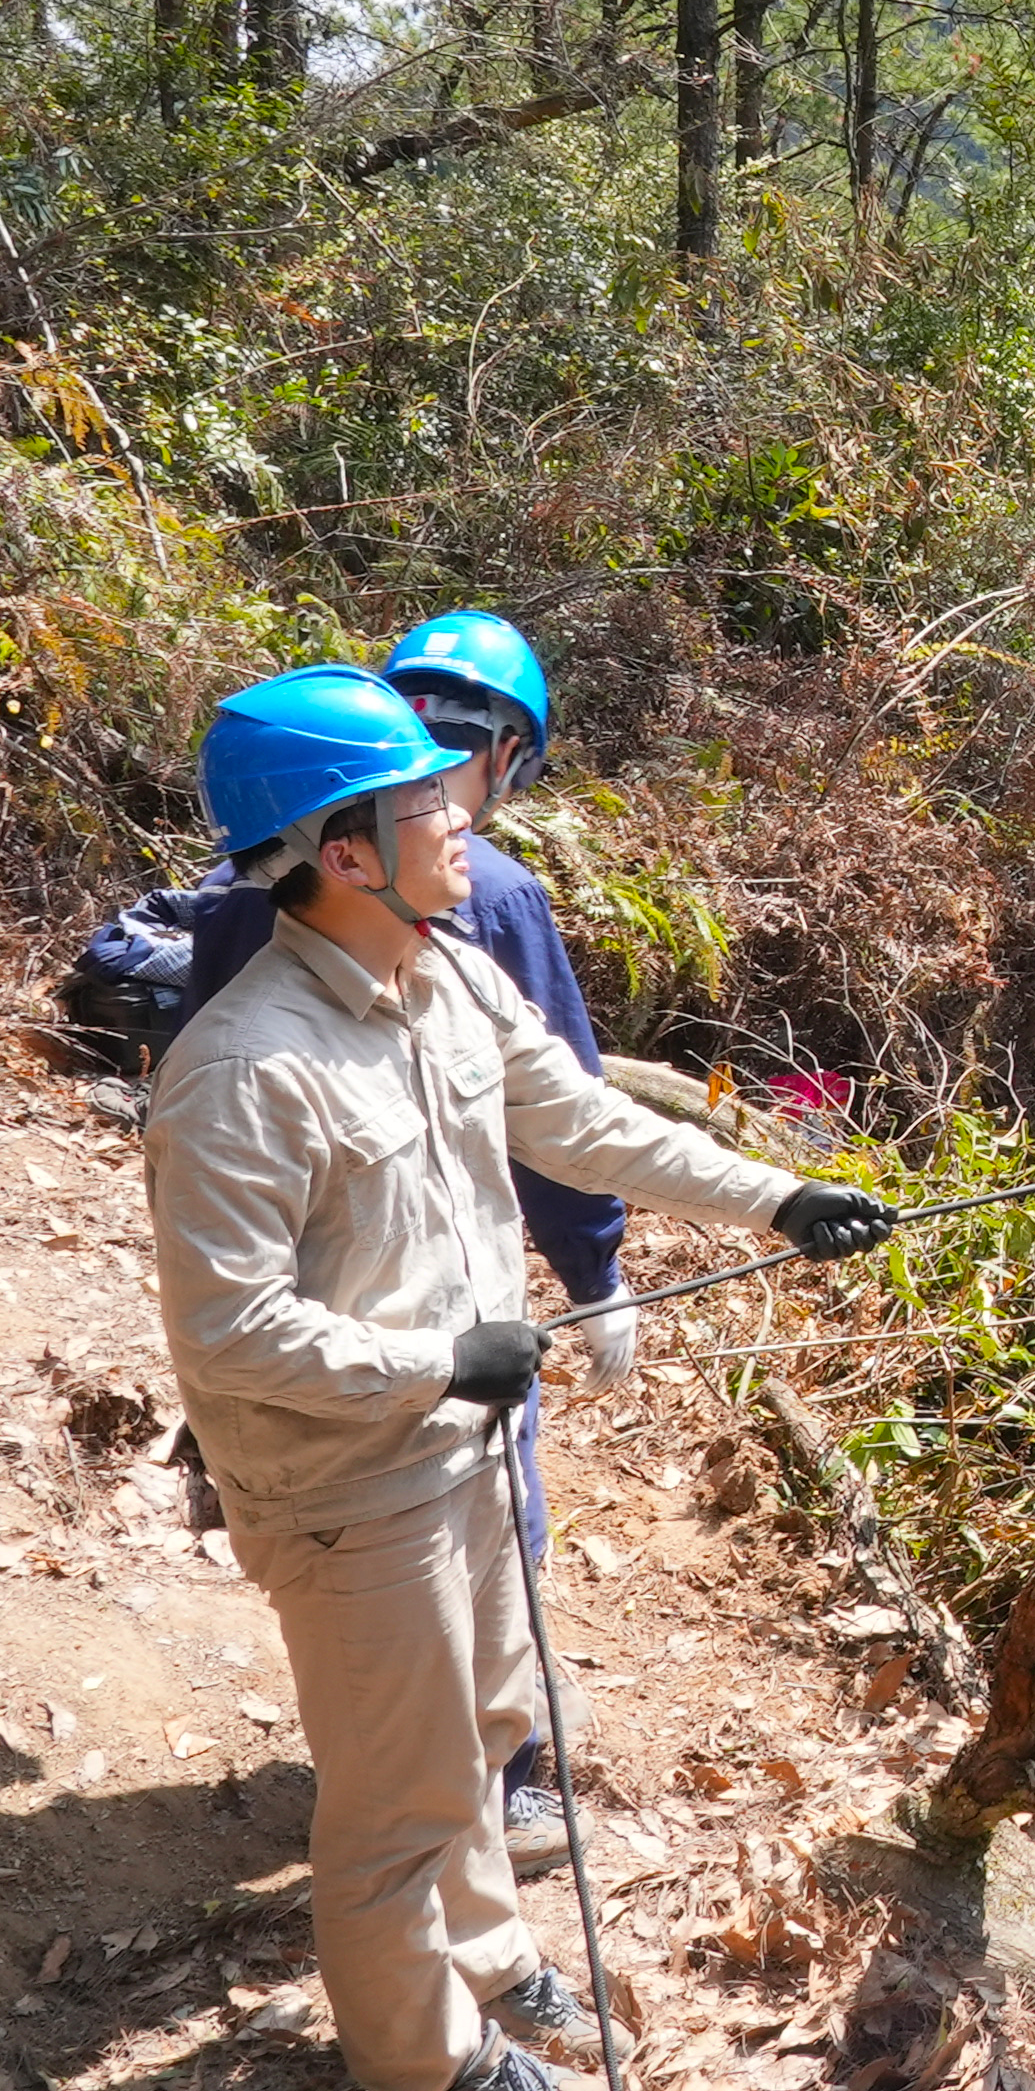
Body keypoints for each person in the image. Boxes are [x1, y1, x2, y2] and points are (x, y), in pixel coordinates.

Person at [145, 664, 900, 2091]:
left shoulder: (446, 980)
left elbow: (587, 1124)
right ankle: (429, 2061)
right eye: (426, 802)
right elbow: (230, 1335)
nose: (461, 820)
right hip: (352, 1487)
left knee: (485, 1727)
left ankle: (490, 1960)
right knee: (396, 1803)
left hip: (467, 1449)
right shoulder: (245, 1071)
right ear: (343, 853)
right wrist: (439, 1359)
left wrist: (780, 1197)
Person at [187, 612, 621, 1868]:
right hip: (419, 1331)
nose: (458, 812)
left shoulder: (258, 883)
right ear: (510, 749)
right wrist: (595, 1273)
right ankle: (492, 1789)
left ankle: (405, 1767)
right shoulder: (497, 895)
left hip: (316, 1309)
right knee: (492, 1538)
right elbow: (567, 1128)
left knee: (382, 1587)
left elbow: (562, 1105)